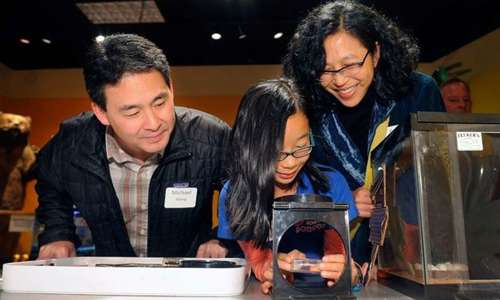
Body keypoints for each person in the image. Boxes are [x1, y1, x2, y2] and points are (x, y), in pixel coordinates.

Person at [34, 34, 231, 259]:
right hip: (110, 279)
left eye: (160, 102)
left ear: (172, 89)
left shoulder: (211, 138)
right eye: (133, 112)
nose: (154, 123)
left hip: (185, 278)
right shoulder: (71, 143)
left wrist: (223, 237)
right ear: (101, 112)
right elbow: (50, 183)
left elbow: (244, 191)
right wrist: (58, 233)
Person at [283, 0, 445, 264]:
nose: (339, 80)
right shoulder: (307, 110)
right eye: (325, 68)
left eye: (350, 65)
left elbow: (436, 180)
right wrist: (344, 205)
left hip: (411, 255)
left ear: (376, 52)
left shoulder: (418, 94)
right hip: (334, 259)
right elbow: (297, 192)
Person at [217, 78, 361, 295]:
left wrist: (350, 272)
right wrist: (269, 266)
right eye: (276, 152)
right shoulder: (236, 194)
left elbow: (339, 255)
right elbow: (258, 261)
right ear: (250, 146)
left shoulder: (331, 186)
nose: (290, 162)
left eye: (302, 146)